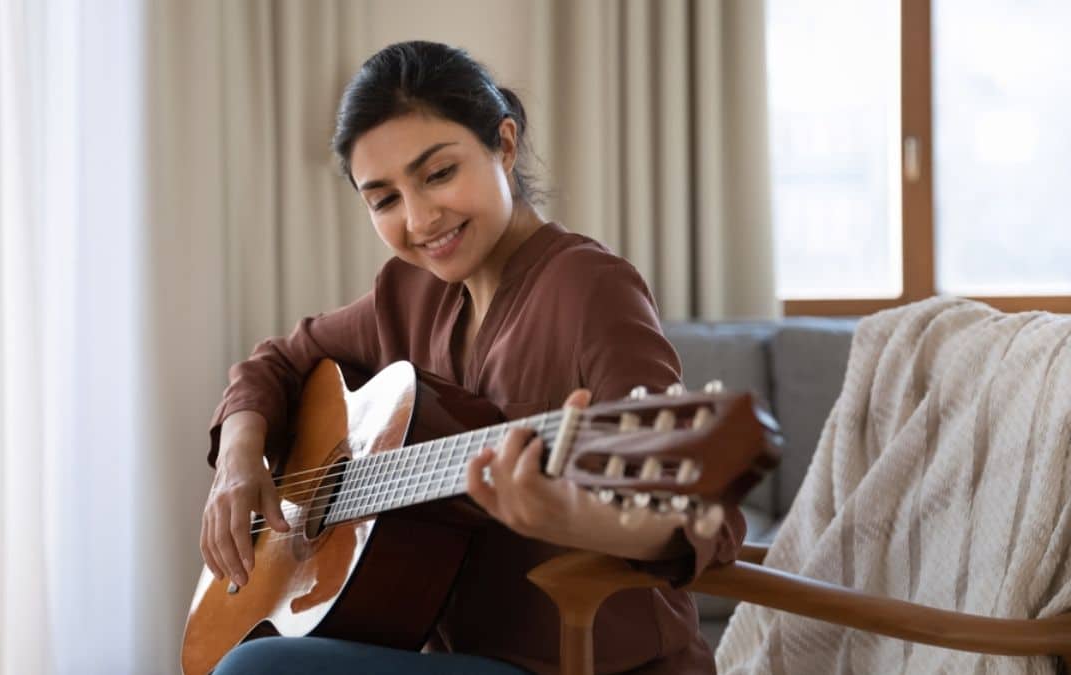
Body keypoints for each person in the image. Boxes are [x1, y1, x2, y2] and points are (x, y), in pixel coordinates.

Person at [201, 40, 746, 675]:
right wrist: (239, 460)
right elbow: (275, 361)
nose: (420, 218)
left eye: (438, 174)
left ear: (504, 145)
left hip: (590, 665)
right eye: (384, 200)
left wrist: (579, 519)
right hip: (454, 655)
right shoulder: (404, 294)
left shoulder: (591, 289)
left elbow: (704, 520)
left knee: (257, 670)